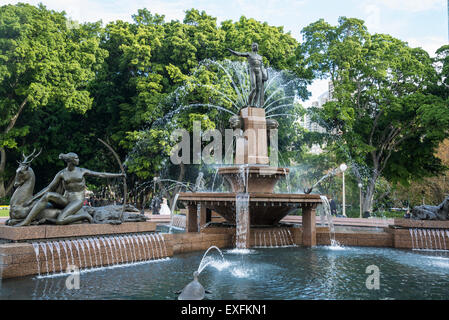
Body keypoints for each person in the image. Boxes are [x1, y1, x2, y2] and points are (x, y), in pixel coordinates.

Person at [16, 152, 125, 226]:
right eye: (76, 158)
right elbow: (49, 188)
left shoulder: (82, 171)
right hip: (65, 199)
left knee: (60, 220)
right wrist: (32, 199)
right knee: (48, 195)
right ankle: (26, 221)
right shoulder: (62, 173)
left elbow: (101, 174)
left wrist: (118, 175)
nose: (78, 159)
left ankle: (84, 215)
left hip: (77, 200)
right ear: (70, 160)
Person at [228, 43, 267, 107]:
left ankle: (254, 104)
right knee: (253, 88)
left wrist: (264, 75)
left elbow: (261, 66)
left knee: (258, 89)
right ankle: (249, 103)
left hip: (259, 71)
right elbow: (240, 54)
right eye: (253, 46)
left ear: (257, 47)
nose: (254, 47)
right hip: (252, 70)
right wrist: (233, 52)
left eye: (255, 46)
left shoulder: (260, 57)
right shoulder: (249, 54)